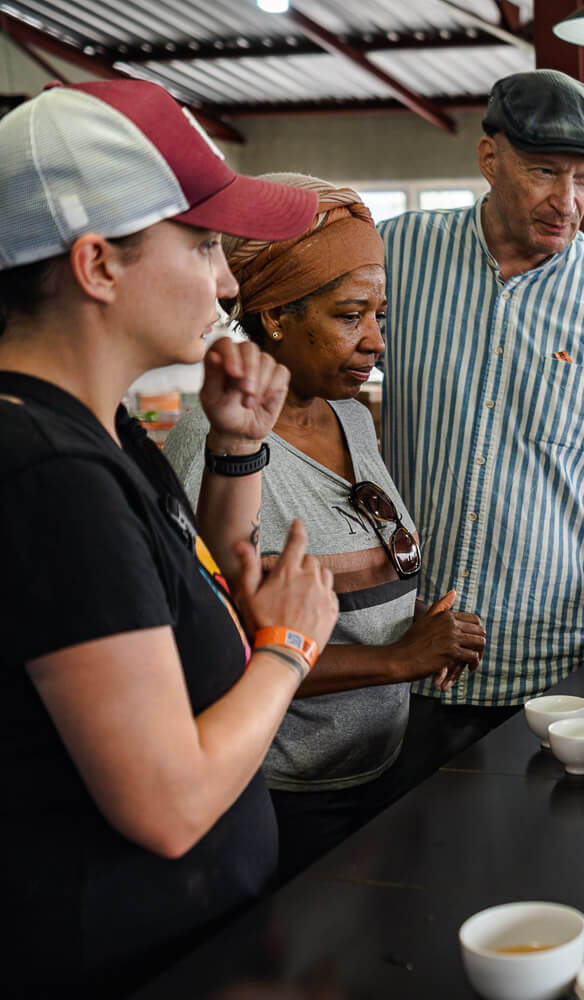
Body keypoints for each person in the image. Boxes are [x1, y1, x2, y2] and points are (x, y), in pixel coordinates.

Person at [0, 81, 339, 993]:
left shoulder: (94, 428)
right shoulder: (48, 474)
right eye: (202, 245)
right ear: (98, 265)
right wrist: (290, 653)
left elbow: (189, 603)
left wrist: (236, 446)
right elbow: (170, 803)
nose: (228, 281)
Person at [165, 175, 488, 879]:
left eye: (380, 314)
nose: (375, 341)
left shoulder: (350, 415)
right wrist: (400, 658)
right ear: (276, 315)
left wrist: (421, 631)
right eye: (349, 316)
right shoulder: (216, 446)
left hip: (380, 763)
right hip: (291, 793)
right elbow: (226, 655)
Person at [375, 70, 584, 762]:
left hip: (554, 667)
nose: (568, 201)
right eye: (546, 172)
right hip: (405, 652)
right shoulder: (396, 254)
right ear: (490, 160)